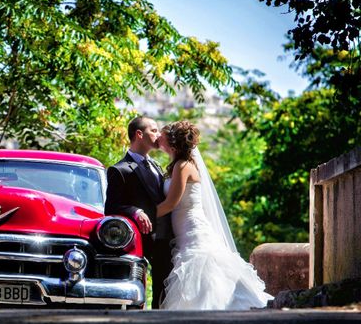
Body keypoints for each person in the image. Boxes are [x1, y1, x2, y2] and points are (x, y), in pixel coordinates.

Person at [155, 121, 273, 310]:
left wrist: (144, 215)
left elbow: (171, 203)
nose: (157, 138)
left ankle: (213, 308)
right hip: (184, 230)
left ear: (172, 142)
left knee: (205, 268)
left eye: (160, 135)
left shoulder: (182, 166)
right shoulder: (178, 165)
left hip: (192, 228)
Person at [105, 116, 174, 309]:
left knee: (165, 287)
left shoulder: (157, 166)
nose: (158, 134)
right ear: (139, 134)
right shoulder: (119, 170)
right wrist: (134, 211)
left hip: (166, 237)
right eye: (154, 130)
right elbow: (110, 208)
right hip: (141, 239)